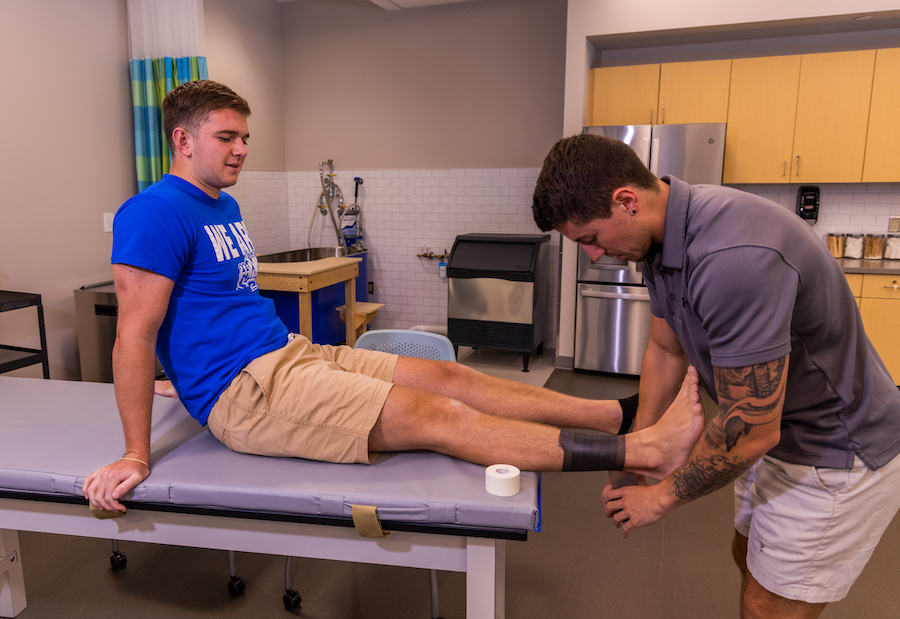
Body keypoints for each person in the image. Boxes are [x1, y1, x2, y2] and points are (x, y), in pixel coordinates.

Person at [82, 81, 705, 519]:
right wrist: (138, 451)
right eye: (226, 137)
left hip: (286, 354)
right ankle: (641, 448)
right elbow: (133, 334)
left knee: (448, 373)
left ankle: (614, 415)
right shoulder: (153, 213)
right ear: (183, 141)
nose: (241, 149)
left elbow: (204, 311)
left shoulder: (223, 204)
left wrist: (180, 378)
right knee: (437, 417)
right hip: (248, 394)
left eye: (244, 137)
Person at [531, 133, 900, 619]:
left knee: (768, 607)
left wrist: (660, 497)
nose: (594, 255)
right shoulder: (658, 242)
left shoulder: (733, 258)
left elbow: (750, 430)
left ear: (626, 202)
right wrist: (637, 448)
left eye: (592, 239)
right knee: (746, 556)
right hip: (774, 436)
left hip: (832, 450)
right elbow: (666, 349)